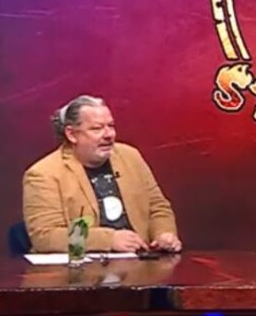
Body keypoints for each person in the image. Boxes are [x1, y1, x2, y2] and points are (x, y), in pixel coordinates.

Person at [22, 95, 182, 254]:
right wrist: (108, 240)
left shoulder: (130, 156)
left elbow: (157, 207)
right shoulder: (43, 174)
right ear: (71, 134)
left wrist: (163, 234)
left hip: (140, 261)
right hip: (81, 266)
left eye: (111, 126)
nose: (109, 135)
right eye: (96, 129)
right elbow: (46, 236)